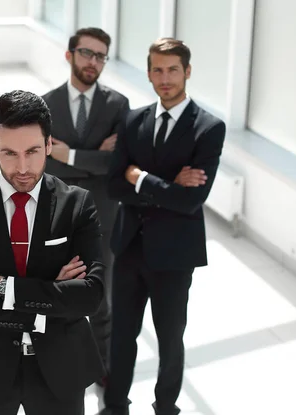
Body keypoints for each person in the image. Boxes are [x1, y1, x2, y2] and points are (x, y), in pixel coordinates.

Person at [0, 90, 106, 415]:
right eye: (9, 153)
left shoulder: (78, 205)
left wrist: (2, 287)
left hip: (60, 370)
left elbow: (90, 297)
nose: (23, 167)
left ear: (48, 145)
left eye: (32, 151)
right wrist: (51, 299)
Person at [102, 38, 226, 415]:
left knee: (171, 339)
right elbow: (113, 185)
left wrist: (140, 178)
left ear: (187, 71)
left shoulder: (209, 127)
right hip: (128, 247)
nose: (165, 77)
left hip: (174, 254)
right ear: (149, 72)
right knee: (121, 335)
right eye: (158, 69)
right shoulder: (133, 119)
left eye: (173, 69)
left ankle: (166, 407)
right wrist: (168, 184)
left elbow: (191, 201)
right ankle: (114, 405)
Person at [42, 27, 129, 383]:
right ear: (69, 55)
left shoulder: (118, 105)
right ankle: (57, 359)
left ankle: (102, 365)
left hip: (103, 211)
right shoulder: (44, 104)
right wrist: (92, 156)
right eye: (86, 53)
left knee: (99, 292)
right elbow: (45, 160)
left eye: (100, 56)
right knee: (57, 286)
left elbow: (116, 164)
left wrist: (68, 153)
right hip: (57, 211)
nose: (92, 62)